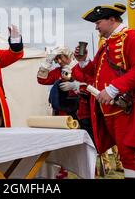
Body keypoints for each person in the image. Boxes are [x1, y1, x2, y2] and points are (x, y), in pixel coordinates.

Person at [63, 3, 135, 178]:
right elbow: (90, 74)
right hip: (112, 111)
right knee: (127, 155)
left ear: (112, 20)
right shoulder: (106, 46)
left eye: (99, 22)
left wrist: (113, 89)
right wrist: (83, 61)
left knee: (131, 155)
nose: (96, 27)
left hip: (130, 109)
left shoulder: (134, 38)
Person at [37, 46, 93, 179]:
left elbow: (90, 86)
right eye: (57, 59)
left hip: (80, 113)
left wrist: (76, 86)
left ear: (69, 56)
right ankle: (62, 173)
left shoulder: (79, 68)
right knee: (61, 145)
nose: (59, 61)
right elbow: (41, 79)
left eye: (61, 57)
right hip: (61, 114)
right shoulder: (58, 72)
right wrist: (47, 61)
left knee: (83, 146)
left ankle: (89, 172)